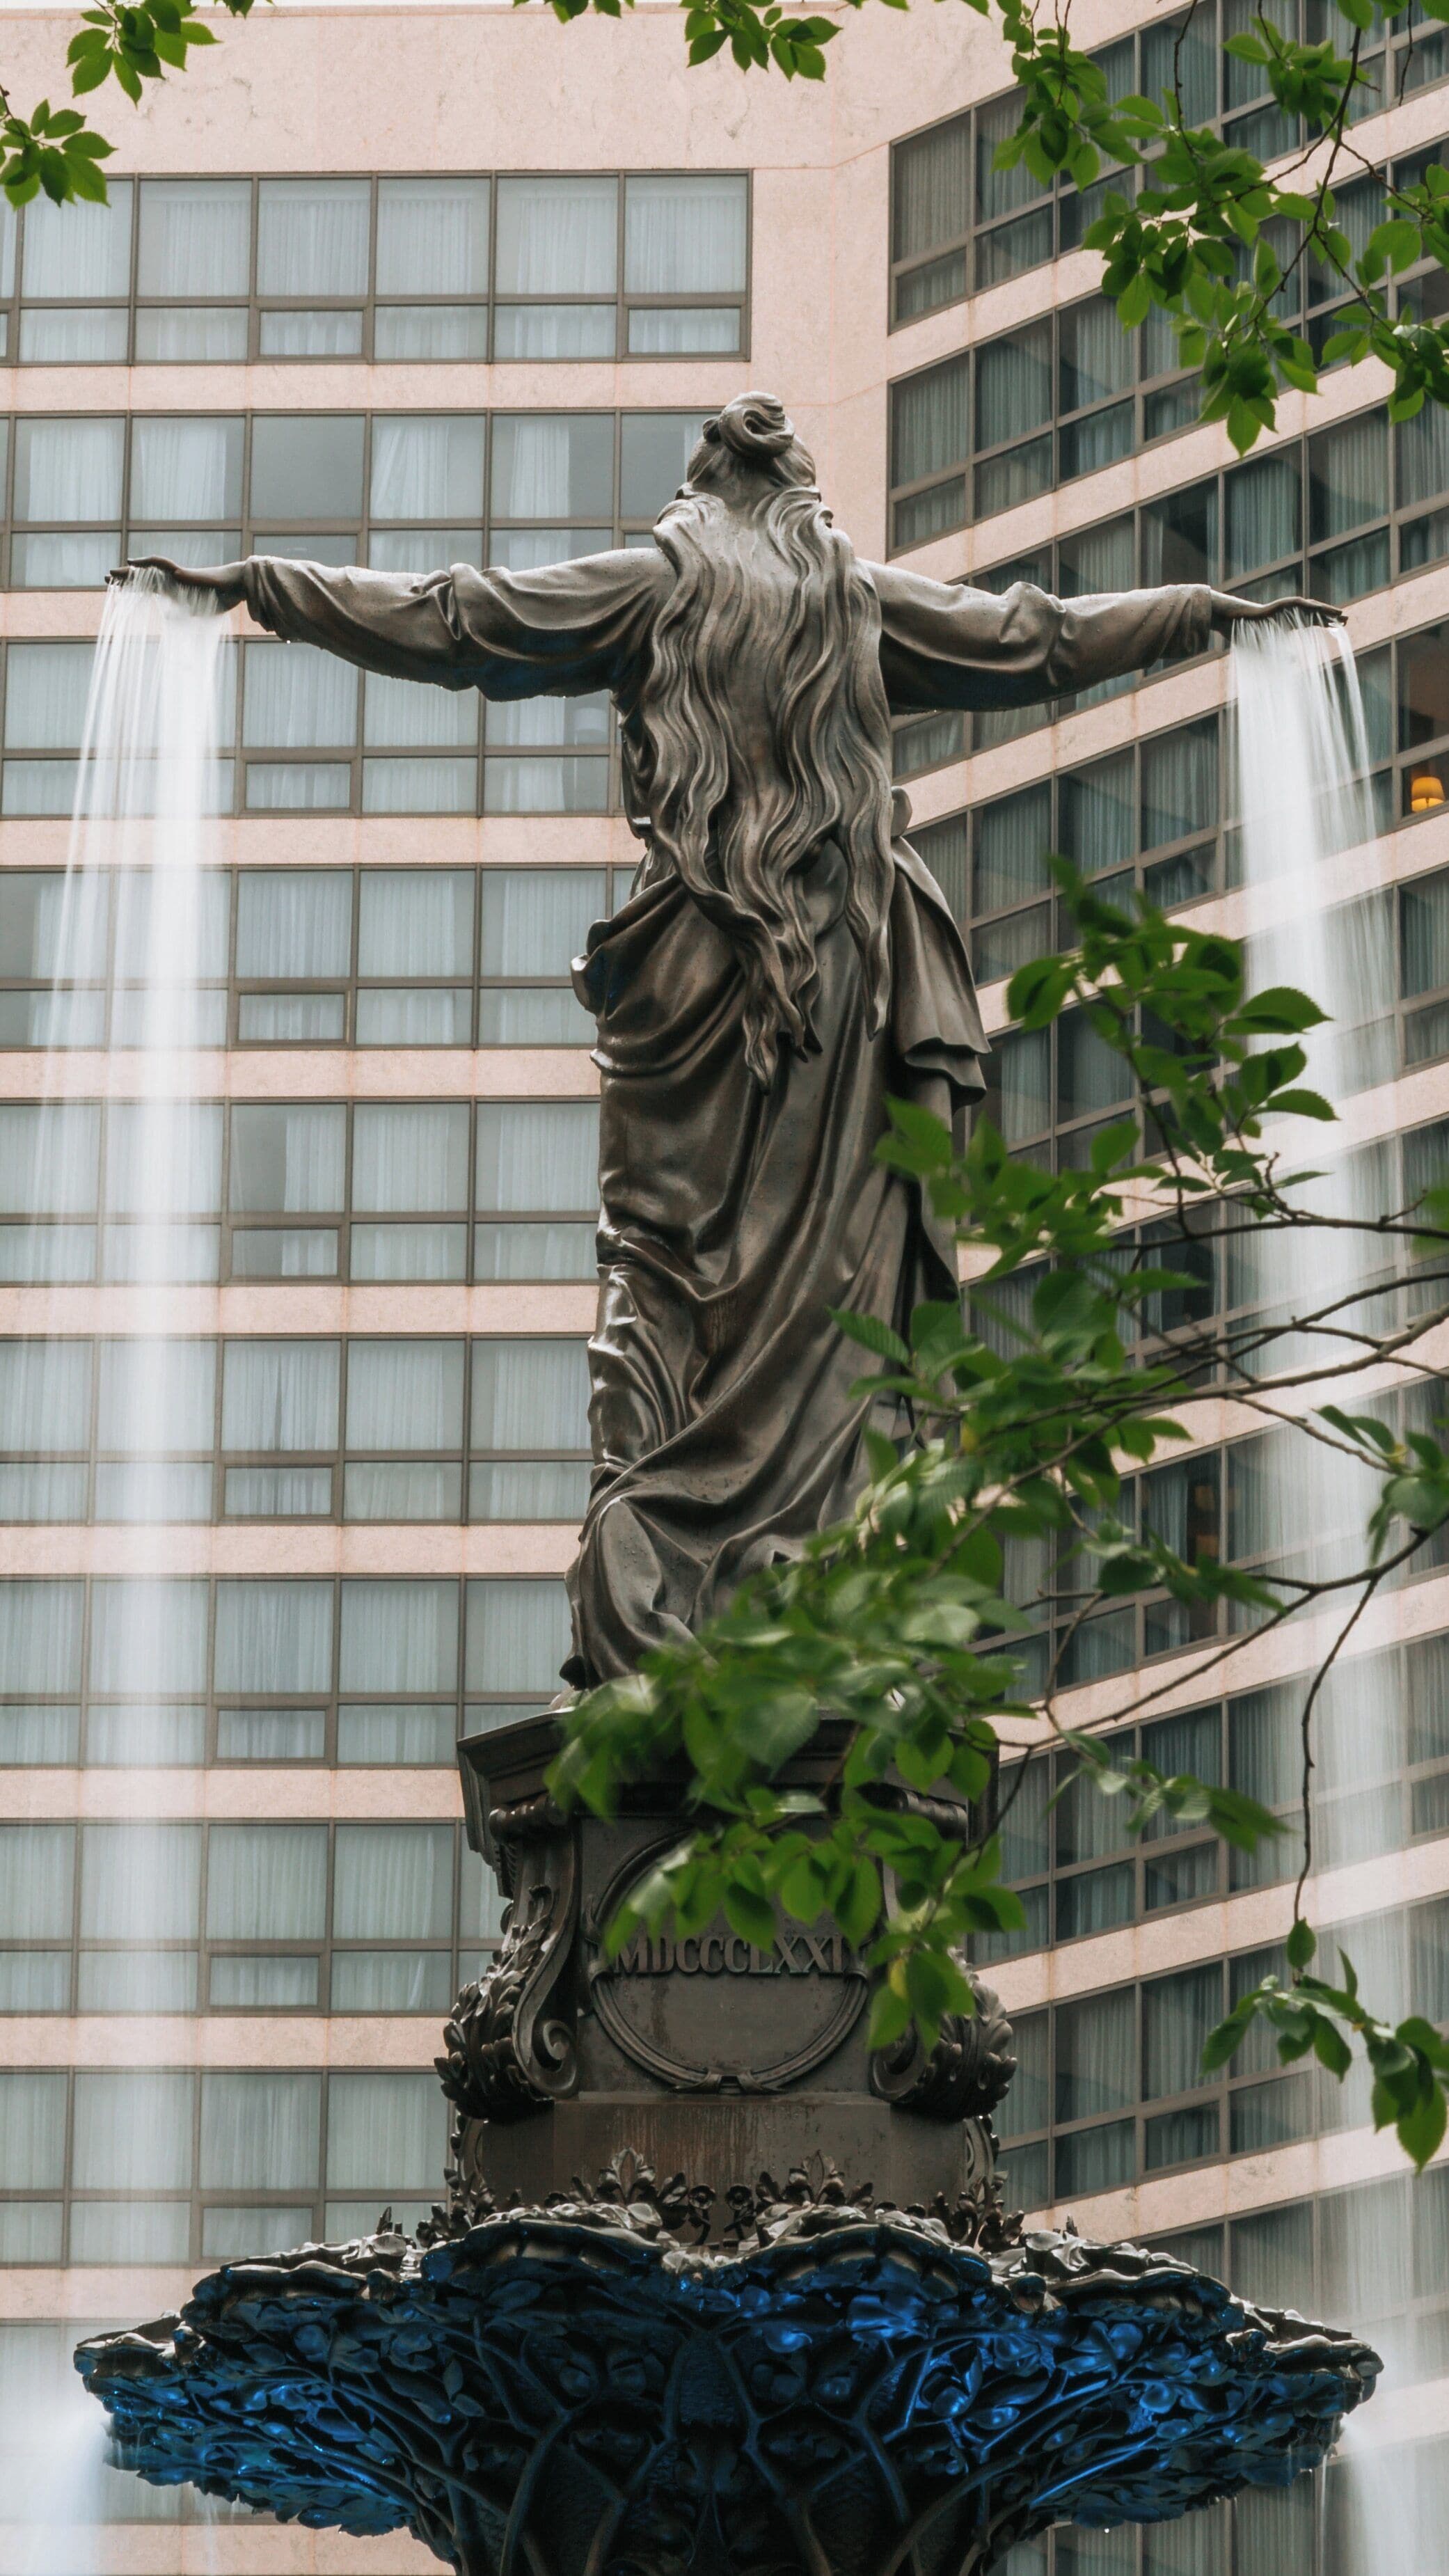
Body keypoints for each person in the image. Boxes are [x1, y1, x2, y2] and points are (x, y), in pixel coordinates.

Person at [120, 392, 1340, 1691]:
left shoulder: (657, 588)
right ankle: (796, 1572)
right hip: (850, 975)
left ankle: (658, 1555)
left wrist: (268, 586)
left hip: (698, 973)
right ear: (803, 506)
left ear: (699, 499)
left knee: (667, 1264)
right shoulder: (852, 603)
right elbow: (1035, 640)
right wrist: (1201, 615)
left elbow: (460, 618)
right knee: (825, 1294)